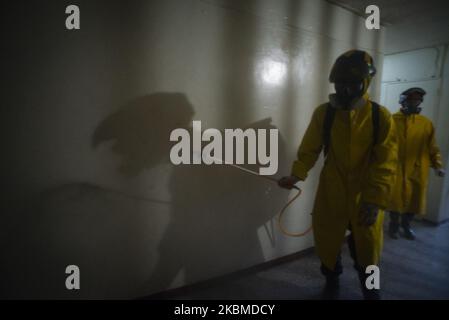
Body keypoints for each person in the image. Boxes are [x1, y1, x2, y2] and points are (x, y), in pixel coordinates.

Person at [279, 50, 398, 300]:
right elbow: (309, 149)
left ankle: (371, 291)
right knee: (328, 243)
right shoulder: (325, 113)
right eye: (340, 83)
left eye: (352, 83)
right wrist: (296, 175)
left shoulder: (380, 116)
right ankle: (331, 281)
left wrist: (375, 200)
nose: (345, 90)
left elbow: (386, 162)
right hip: (332, 191)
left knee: (367, 250)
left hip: (365, 195)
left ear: (365, 84)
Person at [388, 88, 445, 240]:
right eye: (411, 100)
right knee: (395, 200)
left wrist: (438, 165)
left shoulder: (425, 123)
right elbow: (383, 144)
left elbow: (432, 146)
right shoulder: (392, 120)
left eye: (417, 100)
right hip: (396, 168)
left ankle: (406, 225)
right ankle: (393, 226)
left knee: (414, 200)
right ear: (403, 101)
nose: (414, 103)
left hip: (417, 169)